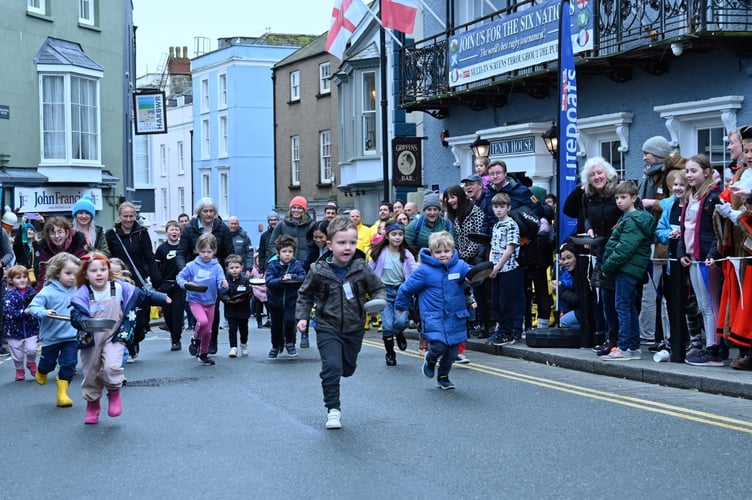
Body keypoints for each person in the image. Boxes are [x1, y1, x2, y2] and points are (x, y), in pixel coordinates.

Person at [295, 217, 386, 430]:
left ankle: (344, 369)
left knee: (347, 369)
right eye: (342, 243)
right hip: (327, 325)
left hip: (355, 326)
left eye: (352, 243)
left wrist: (378, 301)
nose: (348, 247)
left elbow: (378, 287)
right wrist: (302, 317)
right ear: (329, 245)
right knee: (332, 367)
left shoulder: (361, 267)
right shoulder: (318, 270)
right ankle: (333, 410)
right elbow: (305, 295)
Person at [70, 252, 169, 424]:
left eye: (103, 269)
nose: (99, 273)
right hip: (91, 338)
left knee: (112, 366)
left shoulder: (120, 288)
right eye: (94, 271)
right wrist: (83, 321)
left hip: (114, 336)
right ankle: (93, 403)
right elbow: (75, 316)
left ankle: (114, 392)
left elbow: (142, 295)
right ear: (85, 274)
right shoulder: (83, 293)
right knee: (91, 372)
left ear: (109, 271)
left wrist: (161, 298)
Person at [395, 231, 472, 390]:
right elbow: (405, 289)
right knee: (439, 346)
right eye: (438, 252)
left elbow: (475, 277)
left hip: (455, 316)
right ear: (431, 252)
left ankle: (443, 376)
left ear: (452, 250)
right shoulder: (424, 271)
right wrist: (401, 307)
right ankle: (430, 359)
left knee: (452, 353)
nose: (443, 255)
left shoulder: (460, 266)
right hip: (433, 317)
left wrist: (478, 277)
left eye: (446, 251)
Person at [600, 181, 656, 361]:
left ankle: (624, 347)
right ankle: (633, 347)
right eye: (616, 197)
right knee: (629, 306)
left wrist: (607, 266)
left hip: (626, 268)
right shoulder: (631, 219)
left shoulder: (632, 220)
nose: (619, 201)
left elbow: (623, 249)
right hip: (631, 268)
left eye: (623, 197)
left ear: (633, 198)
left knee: (622, 307)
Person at [679, 154, 724, 366]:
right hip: (693, 257)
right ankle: (710, 346)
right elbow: (684, 229)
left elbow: (718, 232)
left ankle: (714, 349)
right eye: (687, 171)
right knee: (703, 304)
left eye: (693, 171)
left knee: (710, 303)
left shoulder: (713, 197)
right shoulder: (691, 197)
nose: (689, 175)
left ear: (706, 172)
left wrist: (713, 254)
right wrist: (682, 253)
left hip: (707, 258)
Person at [106, 201, 162, 361]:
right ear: (120, 216)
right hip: (119, 280)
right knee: (124, 314)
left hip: (138, 279)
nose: (129, 219)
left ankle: (136, 339)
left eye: (131, 216)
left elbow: (149, 257)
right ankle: (128, 346)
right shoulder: (112, 234)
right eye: (125, 216)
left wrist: (155, 278)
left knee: (141, 317)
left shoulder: (142, 233)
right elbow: (107, 257)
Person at [177, 197, 233, 355]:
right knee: (198, 314)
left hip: (215, 273)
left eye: (211, 211)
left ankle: (211, 340)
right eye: (205, 211)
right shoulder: (190, 228)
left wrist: (226, 274)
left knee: (213, 312)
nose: (208, 214)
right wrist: (185, 273)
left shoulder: (222, 228)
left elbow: (229, 252)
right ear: (199, 213)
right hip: (195, 275)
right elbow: (181, 252)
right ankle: (198, 340)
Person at [579, 157, 623, 354]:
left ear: (607, 173)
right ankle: (610, 337)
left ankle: (624, 339)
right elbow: (586, 216)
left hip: (621, 247)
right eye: (592, 174)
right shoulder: (586, 195)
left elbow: (633, 209)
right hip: (601, 247)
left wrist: (621, 225)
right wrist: (589, 230)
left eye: (599, 173)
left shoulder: (619, 190)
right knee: (605, 295)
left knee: (622, 298)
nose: (597, 177)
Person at [27, 252, 81, 406]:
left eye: (75, 274)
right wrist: (44, 312)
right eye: (68, 273)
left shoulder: (79, 290)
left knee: (69, 364)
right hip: (52, 337)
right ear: (57, 272)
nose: (72, 277)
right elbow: (33, 307)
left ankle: (62, 394)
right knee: (48, 364)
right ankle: (42, 370)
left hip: (71, 336)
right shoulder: (48, 291)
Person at [637, 136, 674, 345]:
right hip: (651, 240)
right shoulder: (650, 176)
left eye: (647, 153)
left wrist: (653, 203)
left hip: (661, 242)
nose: (643, 158)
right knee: (649, 292)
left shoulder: (666, 176)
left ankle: (654, 335)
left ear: (658, 153)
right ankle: (652, 334)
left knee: (656, 292)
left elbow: (673, 204)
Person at [368, 221, 417, 366]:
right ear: (387, 236)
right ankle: (390, 353)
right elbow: (369, 271)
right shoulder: (379, 253)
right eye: (394, 234)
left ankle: (399, 332)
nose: (397, 237)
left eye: (400, 234)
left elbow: (414, 271)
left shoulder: (407, 254)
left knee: (401, 322)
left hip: (402, 292)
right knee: (387, 325)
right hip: (384, 292)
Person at [177, 234, 228, 365]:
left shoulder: (216, 267)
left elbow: (221, 283)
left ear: (214, 251)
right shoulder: (191, 265)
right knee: (203, 321)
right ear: (197, 251)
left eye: (209, 252)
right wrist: (185, 284)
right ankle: (195, 338)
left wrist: (223, 285)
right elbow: (180, 278)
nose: (206, 255)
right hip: (195, 300)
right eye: (203, 251)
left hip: (210, 301)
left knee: (208, 331)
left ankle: (203, 353)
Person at [488, 192, 525, 345]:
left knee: (506, 302)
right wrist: (491, 266)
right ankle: (501, 329)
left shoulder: (511, 225)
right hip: (496, 269)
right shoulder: (496, 225)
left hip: (509, 269)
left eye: (502, 207)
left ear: (508, 208)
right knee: (496, 301)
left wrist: (497, 267)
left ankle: (508, 332)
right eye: (496, 206)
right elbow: (493, 247)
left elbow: (509, 250)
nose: (498, 210)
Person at [265, 235, 306, 358]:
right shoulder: (273, 265)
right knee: (276, 325)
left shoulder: (296, 265)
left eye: (290, 252)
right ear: (278, 252)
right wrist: (281, 280)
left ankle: (290, 343)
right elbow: (269, 281)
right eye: (284, 251)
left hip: (291, 300)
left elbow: (303, 277)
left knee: (289, 322)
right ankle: (275, 346)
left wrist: (292, 277)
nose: (287, 254)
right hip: (275, 301)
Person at [3, 265, 39, 381]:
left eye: (24, 277)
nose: (22, 280)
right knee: (17, 354)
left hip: (30, 328)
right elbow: (9, 312)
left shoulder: (31, 291)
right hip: (14, 330)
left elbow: (37, 305)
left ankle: (31, 363)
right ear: (11, 280)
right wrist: (24, 312)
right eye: (18, 277)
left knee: (32, 349)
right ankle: (19, 369)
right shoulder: (9, 295)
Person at [36, 217, 88, 292]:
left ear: (66, 233)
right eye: (53, 233)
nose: (56, 236)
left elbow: (82, 270)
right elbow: (43, 275)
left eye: (60, 232)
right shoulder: (45, 248)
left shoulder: (77, 245)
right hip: (54, 287)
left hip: (76, 284)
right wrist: (38, 293)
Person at [155, 220, 185, 351]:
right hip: (166, 285)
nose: (174, 232)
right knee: (167, 313)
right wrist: (158, 282)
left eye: (177, 229)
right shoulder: (162, 249)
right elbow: (156, 267)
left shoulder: (183, 248)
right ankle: (173, 332)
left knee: (177, 313)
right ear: (167, 232)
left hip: (180, 285)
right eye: (172, 230)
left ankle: (176, 339)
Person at [220, 254, 252, 358]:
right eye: (232, 268)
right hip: (230, 310)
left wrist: (243, 298)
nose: (234, 270)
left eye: (237, 267)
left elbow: (249, 293)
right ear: (227, 269)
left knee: (244, 329)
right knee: (232, 329)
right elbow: (221, 293)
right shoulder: (225, 280)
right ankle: (233, 347)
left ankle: (244, 344)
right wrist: (227, 300)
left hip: (243, 309)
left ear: (241, 267)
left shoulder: (245, 280)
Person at [269, 196, 316, 263]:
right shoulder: (281, 225)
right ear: (290, 209)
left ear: (304, 210)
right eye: (294, 207)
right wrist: (279, 256)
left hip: (306, 264)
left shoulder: (311, 225)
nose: (296, 210)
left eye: (299, 208)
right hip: (287, 264)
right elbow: (272, 244)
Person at [551, 243, 581, 330]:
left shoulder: (581, 274)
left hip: (584, 310)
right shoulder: (566, 272)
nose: (566, 262)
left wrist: (559, 289)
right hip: (573, 308)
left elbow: (578, 300)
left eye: (569, 258)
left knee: (564, 321)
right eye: (563, 259)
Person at [12, 222, 41, 289]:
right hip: (22, 280)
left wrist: (42, 222)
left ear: (34, 233)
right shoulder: (20, 247)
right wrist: (22, 225)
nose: (29, 231)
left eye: (31, 230)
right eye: (26, 230)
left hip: (37, 280)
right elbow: (17, 243)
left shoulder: (37, 246)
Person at [250, 254, 268, 329]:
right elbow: (249, 278)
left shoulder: (266, 270)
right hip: (257, 291)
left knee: (269, 307)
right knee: (258, 308)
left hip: (266, 291)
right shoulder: (253, 269)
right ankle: (259, 322)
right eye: (258, 260)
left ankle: (269, 319)